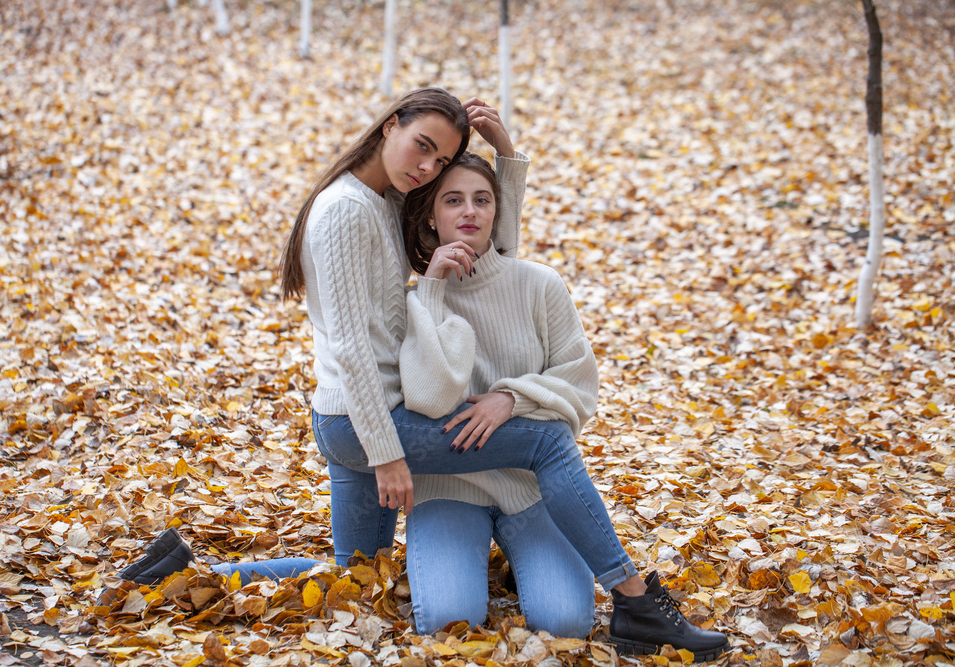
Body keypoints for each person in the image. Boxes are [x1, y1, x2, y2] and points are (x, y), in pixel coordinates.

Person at [120, 87, 729, 661]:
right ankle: (635, 600)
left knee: (357, 571)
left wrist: (507, 158)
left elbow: (493, 249)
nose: (428, 167)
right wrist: (387, 455)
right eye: (423, 147)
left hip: (362, 418)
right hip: (367, 422)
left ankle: (188, 574)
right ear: (390, 126)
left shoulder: (382, 201)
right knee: (547, 439)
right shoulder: (343, 212)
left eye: (440, 160)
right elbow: (354, 347)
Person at [399, 151, 595, 637]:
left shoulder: (540, 284)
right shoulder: (413, 299)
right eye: (453, 200)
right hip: (447, 490)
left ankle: (520, 553)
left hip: (530, 487)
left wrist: (511, 397)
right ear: (431, 214)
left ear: (495, 211)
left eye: (481, 200)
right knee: (449, 623)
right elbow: (426, 398)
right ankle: (465, 557)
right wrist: (432, 292)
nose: (469, 211)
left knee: (566, 623)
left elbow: (580, 383)